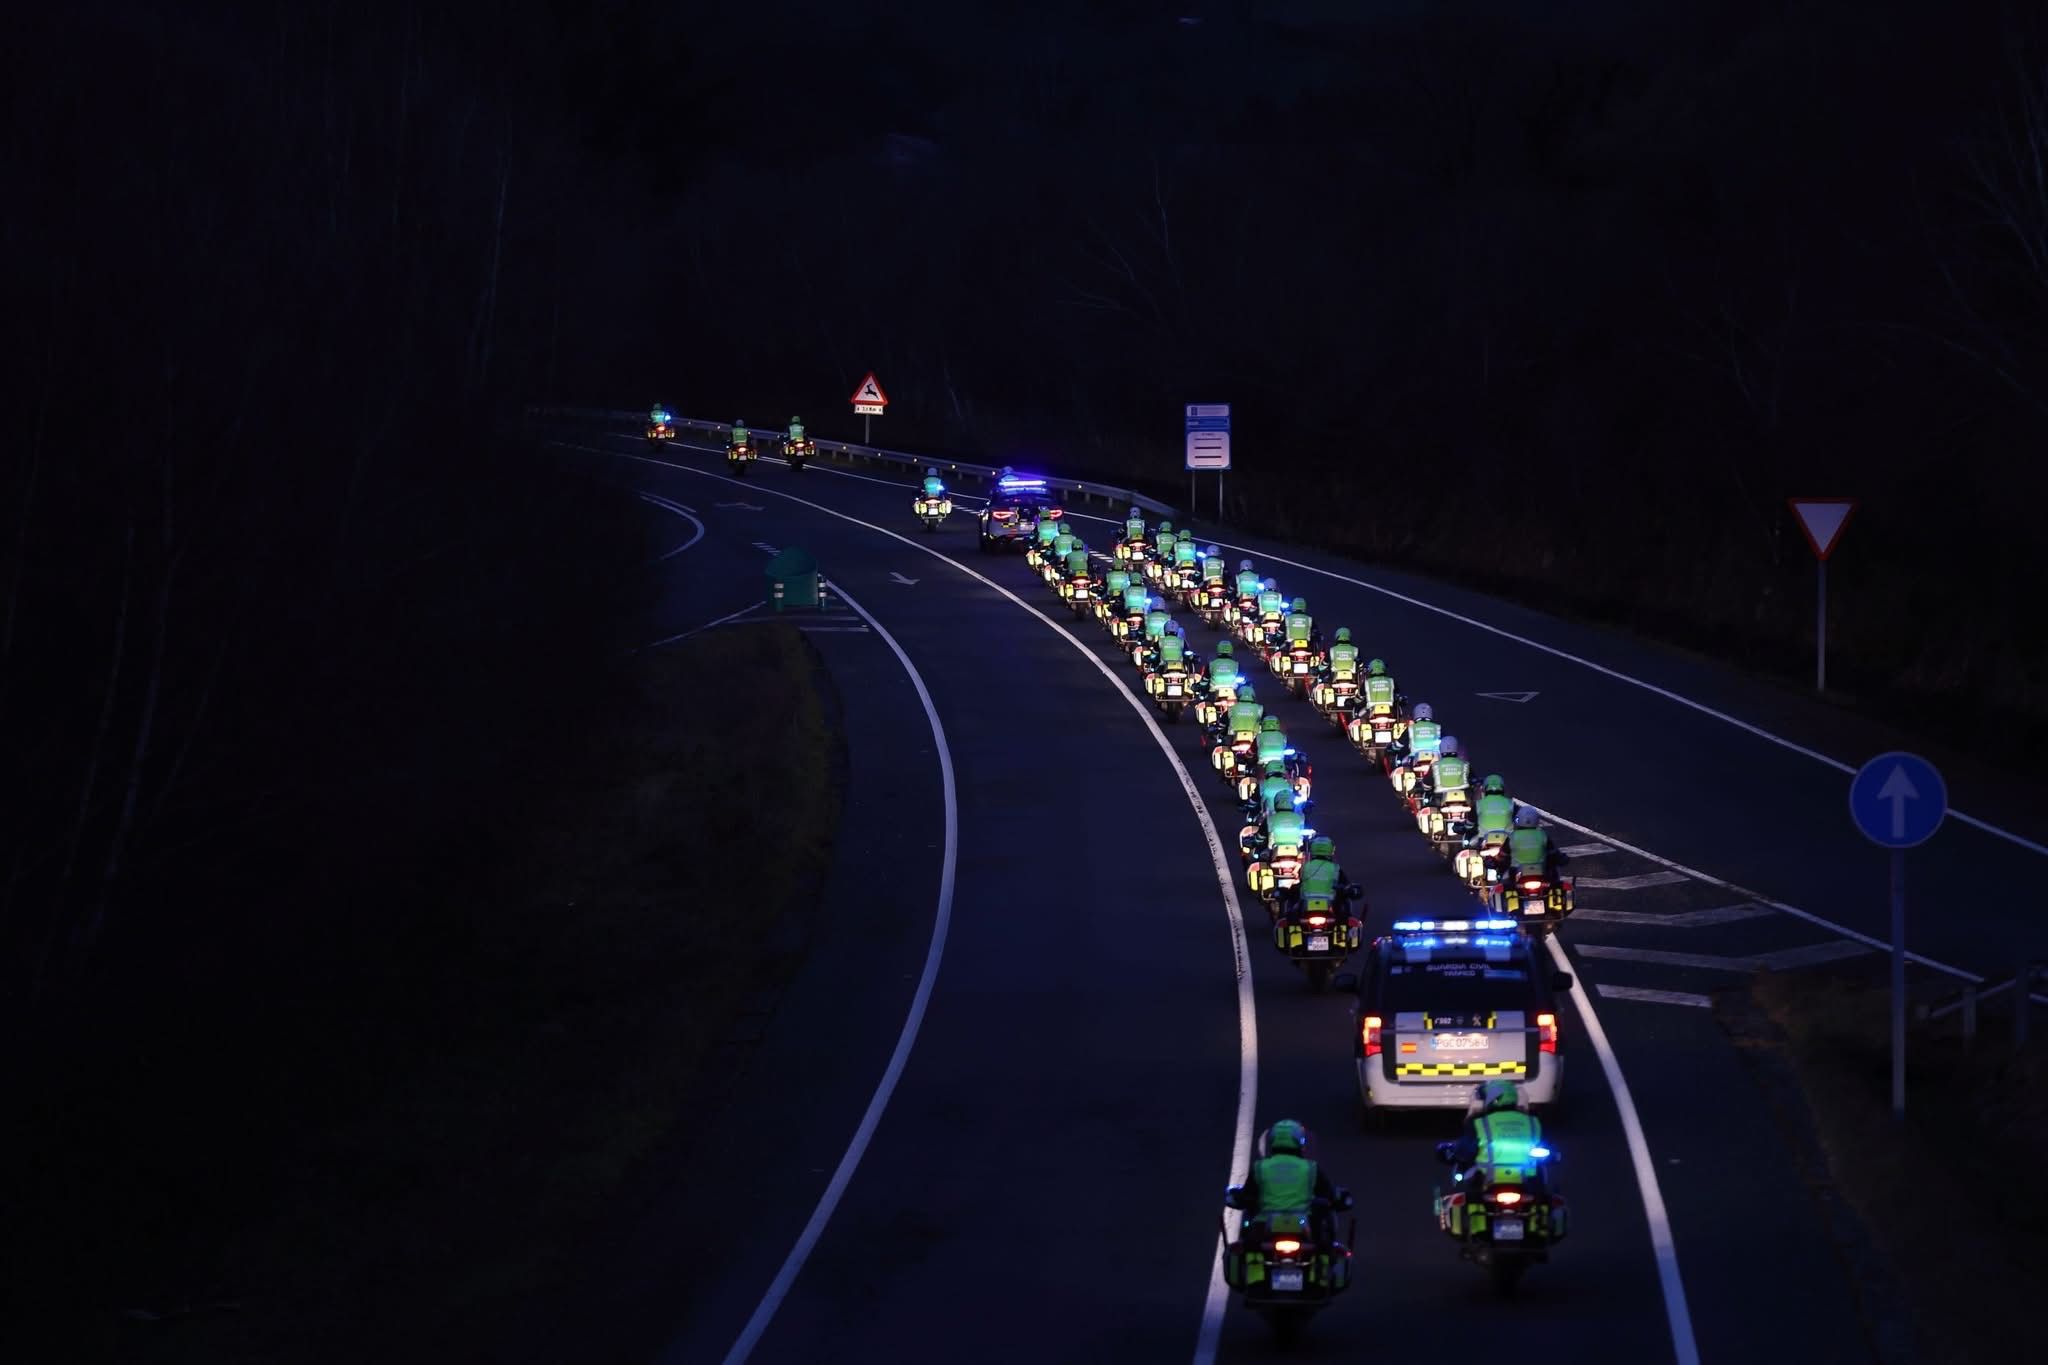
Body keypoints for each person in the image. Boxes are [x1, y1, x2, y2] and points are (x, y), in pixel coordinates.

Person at [1226, 1120, 1351, 1286]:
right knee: (1324, 1240)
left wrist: (1237, 1197)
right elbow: (1329, 1194)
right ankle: (1318, 1277)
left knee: (1248, 1242)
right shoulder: (1310, 1168)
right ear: (1300, 1142)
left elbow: (1246, 1196)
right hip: (1303, 1224)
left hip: (1264, 1224)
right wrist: (1340, 1199)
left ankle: (1255, 1278)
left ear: (1272, 1141)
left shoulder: (1261, 1167)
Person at [1444, 1080, 1547, 1188]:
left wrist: (1454, 1151)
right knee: (1547, 1196)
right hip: (1528, 1181)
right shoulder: (1533, 1122)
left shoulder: (1480, 1122)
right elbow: (1545, 1146)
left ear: (1493, 1098)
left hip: (1485, 1181)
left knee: (1462, 1195)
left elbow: (1465, 1150)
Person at [1508, 804, 1570, 881]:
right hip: (1541, 872)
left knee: (1505, 880)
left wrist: (1496, 861)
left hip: (1516, 873)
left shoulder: (1512, 836)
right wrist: (1562, 859)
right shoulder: (1542, 835)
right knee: (1554, 875)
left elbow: (1503, 855)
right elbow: (1553, 853)